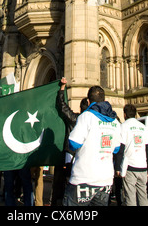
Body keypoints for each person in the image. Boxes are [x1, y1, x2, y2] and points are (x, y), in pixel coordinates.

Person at [63, 85, 120, 207]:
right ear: (104, 100)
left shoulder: (86, 116)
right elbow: (116, 148)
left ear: (88, 101)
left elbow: (73, 143)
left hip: (84, 178)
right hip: (105, 180)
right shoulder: (115, 121)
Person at [51, 77, 88, 205]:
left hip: (71, 156)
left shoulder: (74, 118)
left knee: (69, 182)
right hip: (86, 160)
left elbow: (61, 105)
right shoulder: (95, 123)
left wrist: (62, 88)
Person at [115, 104, 148, 206]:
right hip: (143, 167)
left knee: (130, 197)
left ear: (125, 114)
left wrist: (117, 167)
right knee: (143, 196)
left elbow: (120, 149)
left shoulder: (123, 127)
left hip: (130, 167)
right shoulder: (143, 127)